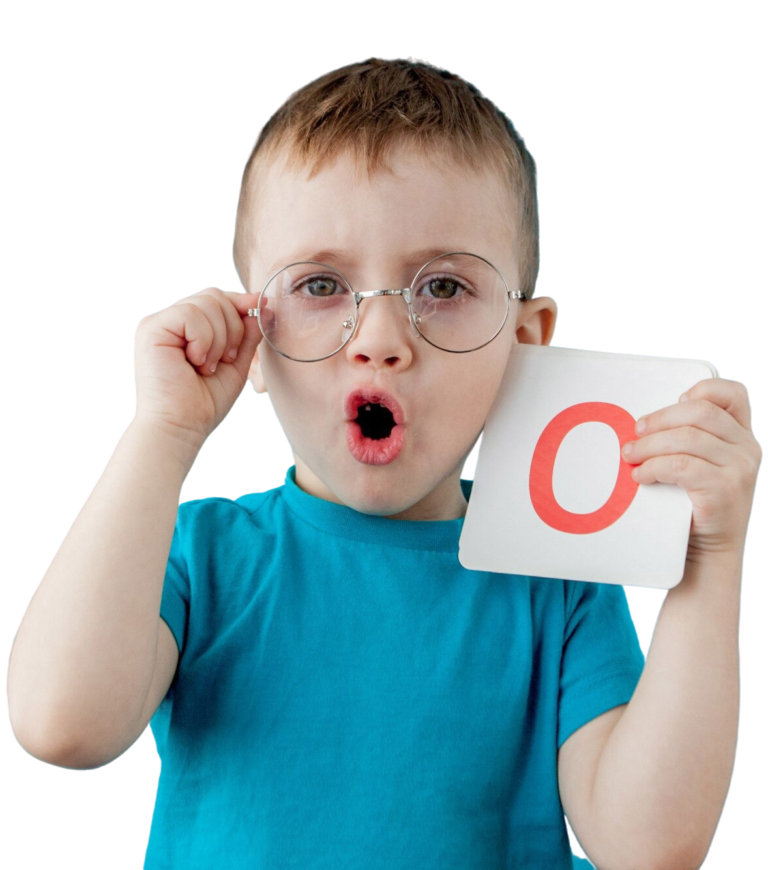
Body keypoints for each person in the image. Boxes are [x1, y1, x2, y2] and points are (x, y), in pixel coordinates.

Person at [8, 57, 754, 869]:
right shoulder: (198, 554)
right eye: (322, 283)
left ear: (526, 342)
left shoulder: (562, 580)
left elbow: (651, 847)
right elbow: (62, 724)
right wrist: (162, 430)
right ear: (251, 338)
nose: (381, 341)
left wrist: (709, 562)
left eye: (442, 287)